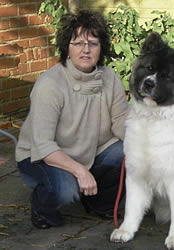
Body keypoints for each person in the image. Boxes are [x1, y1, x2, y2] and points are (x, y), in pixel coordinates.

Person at [15, 10, 128, 229]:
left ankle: (99, 202)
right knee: (66, 190)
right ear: (67, 46)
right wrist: (80, 171)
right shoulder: (50, 85)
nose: (86, 50)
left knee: (126, 150)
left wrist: (144, 142)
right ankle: (42, 209)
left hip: (88, 149)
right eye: (78, 43)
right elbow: (44, 146)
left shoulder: (109, 77)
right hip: (42, 155)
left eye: (93, 43)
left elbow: (121, 120)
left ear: (101, 47)